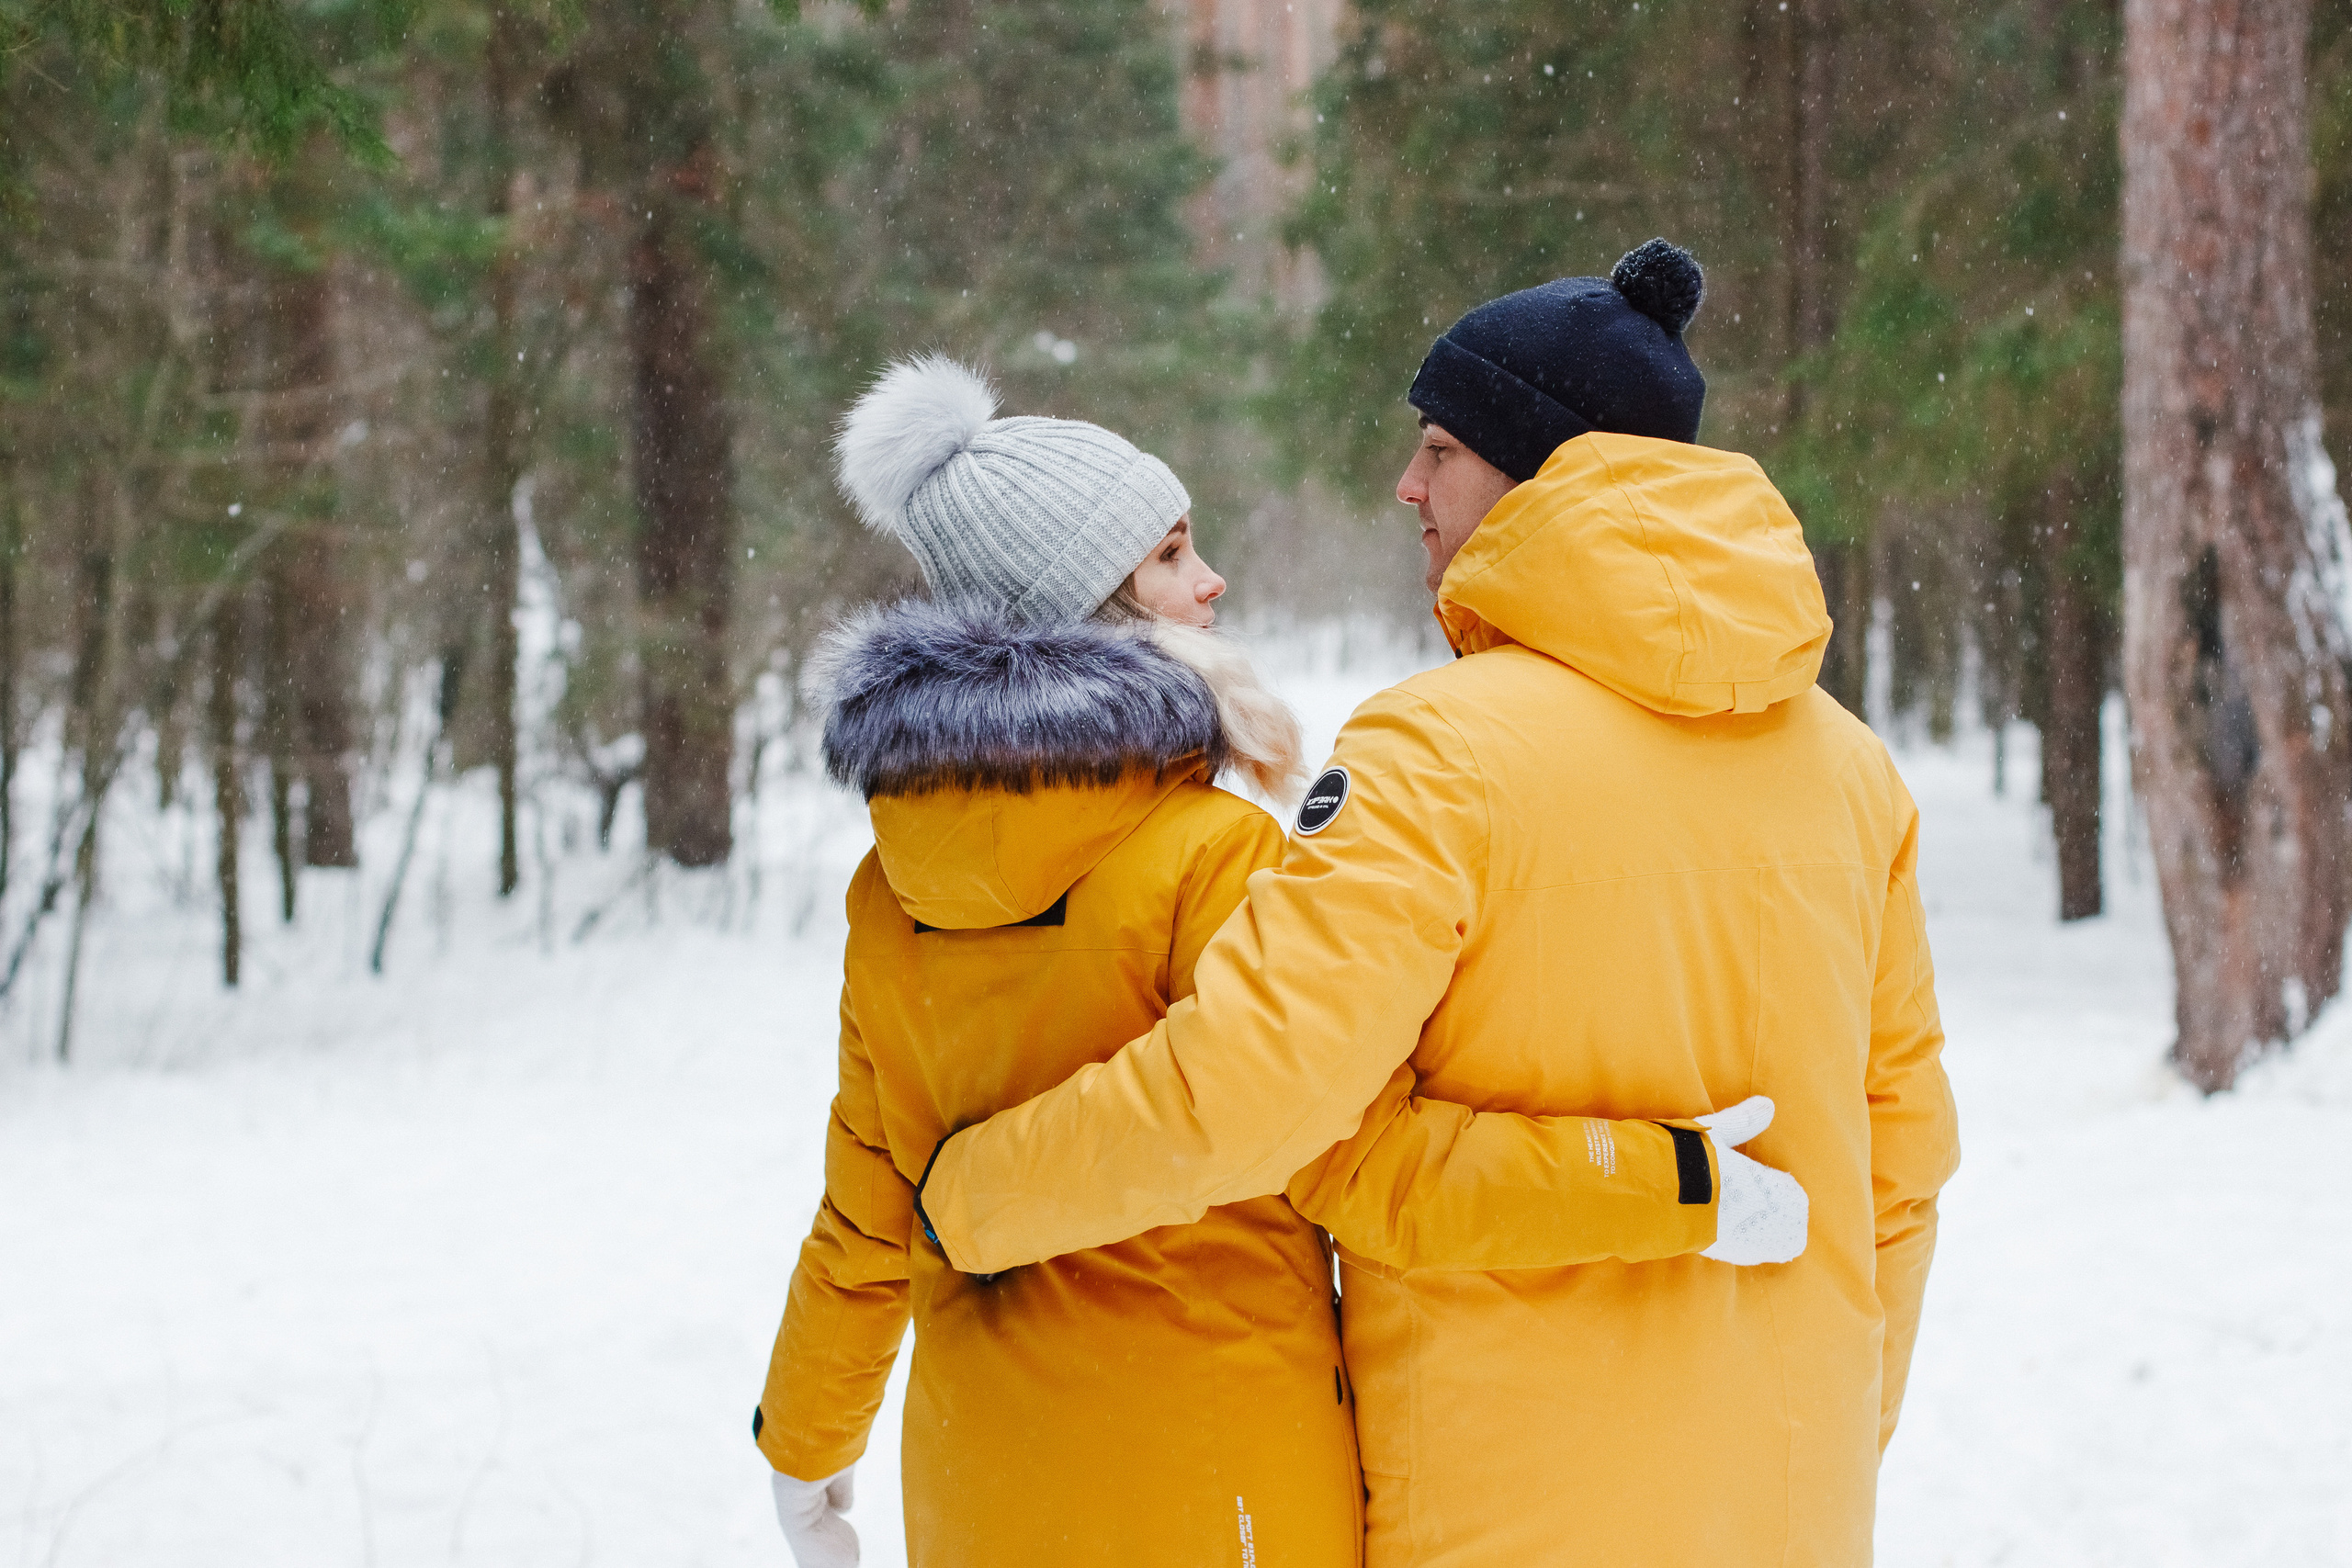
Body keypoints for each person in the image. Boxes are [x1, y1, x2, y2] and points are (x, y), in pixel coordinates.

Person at [914, 242, 1963, 1567]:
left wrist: (975, 1198)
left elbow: (1259, 1093)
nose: (1408, 485)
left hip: (1500, 1500)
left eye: (1445, 450)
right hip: (1788, 1502)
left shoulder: (1432, 749)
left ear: (1547, 465)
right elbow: (1905, 1163)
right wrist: (1825, 1436)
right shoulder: (1852, 767)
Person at [752, 355, 1805, 1568]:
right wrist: (1661, 1180)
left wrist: (806, 1436)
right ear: (1092, 605)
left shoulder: (892, 891)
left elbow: (865, 1199)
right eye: (1170, 555)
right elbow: (1369, 1164)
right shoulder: (1213, 860)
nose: (1211, 582)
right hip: (1216, 1465)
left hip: (980, 1470)